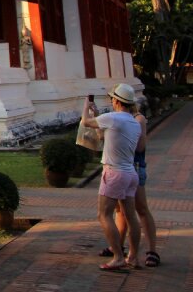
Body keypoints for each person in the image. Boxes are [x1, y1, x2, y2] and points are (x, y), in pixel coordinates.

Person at [82, 83, 142, 271]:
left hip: (114, 172)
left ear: (116, 100)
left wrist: (86, 105)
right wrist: (97, 113)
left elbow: (85, 122)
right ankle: (133, 257)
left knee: (104, 214)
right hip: (130, 173)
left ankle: (117, 256)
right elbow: (102, 135)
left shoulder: (114, 118)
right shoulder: (134, 122)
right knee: (130, 216)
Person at [103, 102, 160, 268]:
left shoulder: (138, 119)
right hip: (118, 168)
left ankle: (152, 251)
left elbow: (141, 146)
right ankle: (117, 247)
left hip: (133, 167)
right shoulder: (116, 118)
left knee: (141, 209)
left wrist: (123, 135)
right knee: (120, 211)